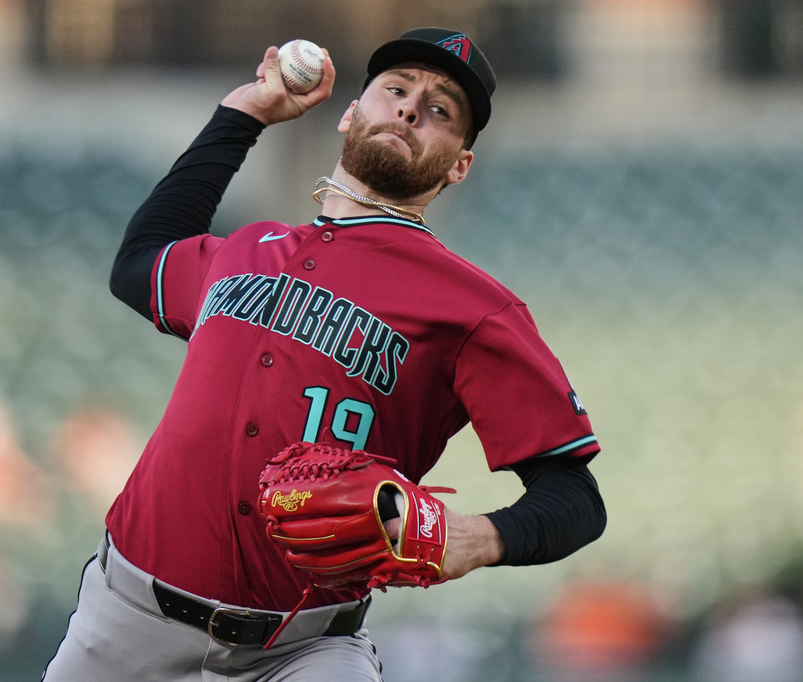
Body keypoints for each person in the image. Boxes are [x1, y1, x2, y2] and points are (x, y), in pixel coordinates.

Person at [43, 27, 607, 681]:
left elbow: (573, 495)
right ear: (349, 113)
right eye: (395, 90)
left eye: (441, 110)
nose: (409, 108)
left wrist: (475, 537)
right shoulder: (246, 249)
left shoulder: (475, 307)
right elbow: (140, 261)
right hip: (126, 626)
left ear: (460, 164)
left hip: (304, 652)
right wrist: (244, 115)